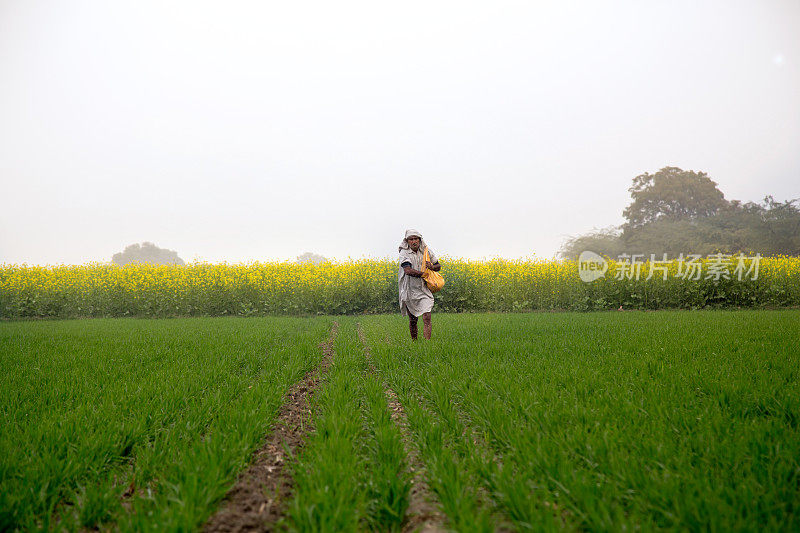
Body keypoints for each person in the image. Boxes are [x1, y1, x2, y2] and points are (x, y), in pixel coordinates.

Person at [397, 229, 441, 340]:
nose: (413, 241)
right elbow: (407, 270)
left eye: (416, 239)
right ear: (407, 241)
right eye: (411, 239)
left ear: (419, 240)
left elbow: (438, 266)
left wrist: (432, 267)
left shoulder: (426, 251)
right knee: (413, 320)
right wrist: (424, 274)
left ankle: (427, 344)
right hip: (409, 290)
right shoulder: (404, 253)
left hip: (423, 289)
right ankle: (415, 343)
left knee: (427, 317)